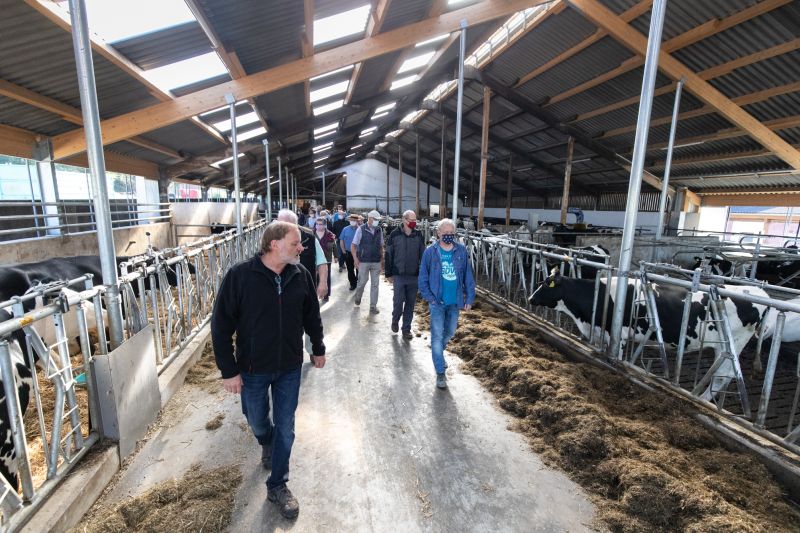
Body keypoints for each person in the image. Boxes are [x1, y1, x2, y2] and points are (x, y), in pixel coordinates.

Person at [211, 221, 326, 519]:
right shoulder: (240, 276)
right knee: (257, 419)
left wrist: (318, 347)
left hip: (289, 365)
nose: (301, 248)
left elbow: (312, 315)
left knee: (286, 427)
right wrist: (229, 370)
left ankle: (278, 485)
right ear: (274, 244)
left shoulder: (300, 275)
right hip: (252, 368)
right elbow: (221, 325)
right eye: (295, 242)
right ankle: (266, 440)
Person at [418, 218, 475, 389]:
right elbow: (423, 278)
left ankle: (438, 355)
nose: (449, 236)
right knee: (436, 336)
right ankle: (440, 372)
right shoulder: (430, 252)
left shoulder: (461, 251)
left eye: (452, 233)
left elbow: (468, 276)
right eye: (446, 233)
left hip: (455, 301)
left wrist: (469, 298)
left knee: (450, 332)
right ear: (438, 233)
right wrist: (430, 297)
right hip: (437, 302)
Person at [385, 210, 425, 339]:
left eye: (415, 220)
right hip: (399, 275)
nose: (413, 223)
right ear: (404, 219)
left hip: (414, 275)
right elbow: (389, 254)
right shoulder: (394, 234)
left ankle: (406, 329)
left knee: (410, 303)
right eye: (411, 220)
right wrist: (388, 273)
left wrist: (423, 274)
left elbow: (423, 255)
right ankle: (395, 319)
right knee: (398, 301)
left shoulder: (418, 235)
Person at [277, 209, 328, 299]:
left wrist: (323, 283)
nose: (279, 228)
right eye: (278, 224)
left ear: (294, 225)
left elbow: (322, 263)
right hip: (281, 290)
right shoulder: (274, 240)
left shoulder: (310, 239)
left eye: (283, 225)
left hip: (306, 288)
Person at [351, 210, 385, 314]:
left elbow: (381, 245)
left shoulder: (379, 230)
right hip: (364, 261)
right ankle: (358, 297)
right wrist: (355, 259)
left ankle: (373, 306)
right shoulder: (361, 229)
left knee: (375, 284)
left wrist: (382, 259)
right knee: (362, 282)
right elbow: (353, 245)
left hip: (376, 261)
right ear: (369, 218)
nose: (377, 222)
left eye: (378, 220)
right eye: (375, 220)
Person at [314, 216, 336, 302]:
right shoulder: (312, 233)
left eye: (320, 224)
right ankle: (316, 293)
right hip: (315, 259)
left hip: (326, 259)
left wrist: (336, 256)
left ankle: (326, 294)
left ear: (325, 225)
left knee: (326, 277)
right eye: (317, 224)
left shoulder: (330, 235)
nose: (318, 226)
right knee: (315, 277)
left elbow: (334, 246)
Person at [332, 208, 350, 272]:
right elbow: (333, 231)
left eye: (342, 214)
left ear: (344, 215)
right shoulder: (335, 223)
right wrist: (335, 236)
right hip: (339, 240)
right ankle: (340, 265)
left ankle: (343, 263)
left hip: (346, 240)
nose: (340, 215)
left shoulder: (347, 223)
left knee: (345, 252)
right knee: (340, 252)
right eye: (339, 214)